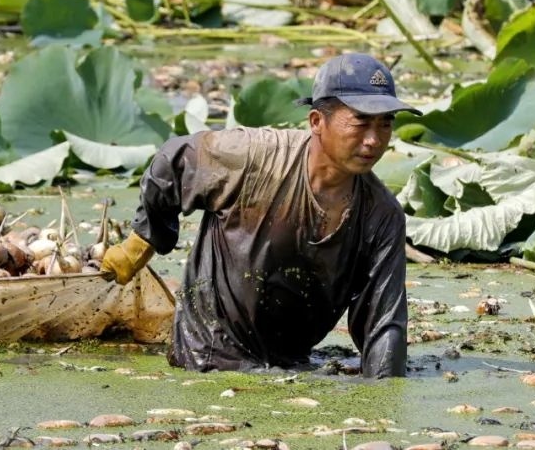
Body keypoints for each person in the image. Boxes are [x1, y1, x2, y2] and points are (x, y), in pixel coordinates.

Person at [101, 52, 420, 378]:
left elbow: (384, 324)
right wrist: (146, 237)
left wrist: (384, 396)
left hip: (292, 366)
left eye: (385, 124)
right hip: (208, 357)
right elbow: (173, 161)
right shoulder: (253, 158)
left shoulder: (382, 217)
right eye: (361, 122)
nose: (374, 140)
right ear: (316, 122)